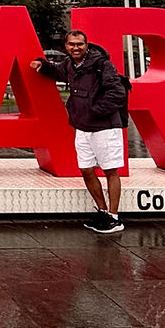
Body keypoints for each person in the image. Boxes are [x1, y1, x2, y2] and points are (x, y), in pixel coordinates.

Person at [29, 30, 127, 234]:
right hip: (82, 128)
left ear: (86, 45)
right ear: (65, 46)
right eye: (72, 44)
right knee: (86, 169)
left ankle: (115, 218)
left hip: (105, 127)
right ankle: (102, 212)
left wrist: (95, 111)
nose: (76, 48)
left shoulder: (102, 65)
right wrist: (42, 64)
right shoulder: (70, 65)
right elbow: (57, 72)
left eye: (80, 44)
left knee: (110, 170)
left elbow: (117, 92)